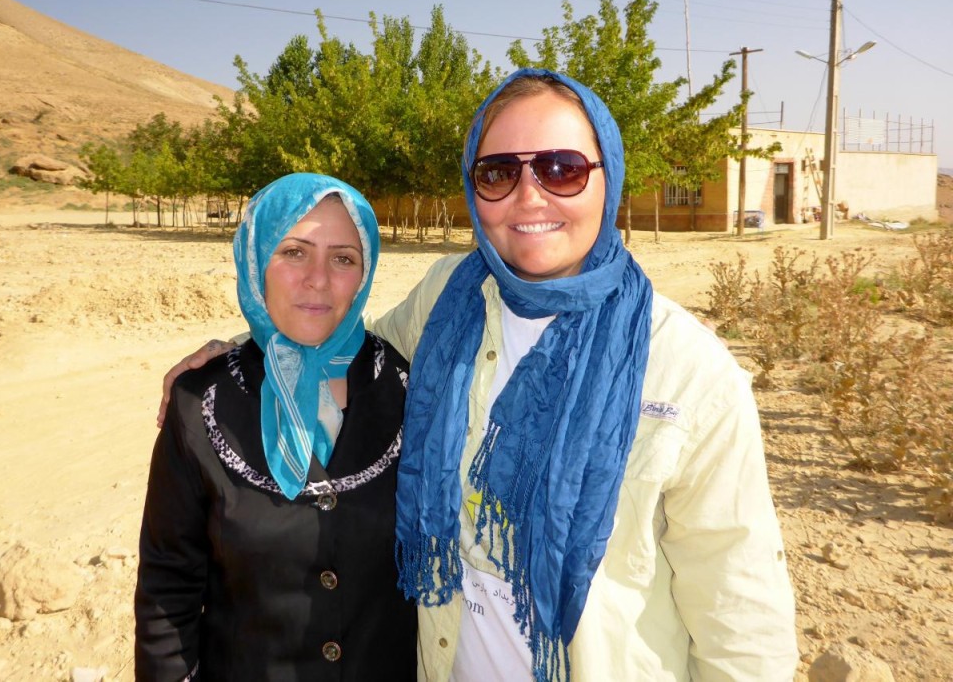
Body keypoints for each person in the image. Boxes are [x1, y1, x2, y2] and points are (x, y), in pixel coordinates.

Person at [159, 70, 799, 681]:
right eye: (499, 172)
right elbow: (347, 339)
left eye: (561, 168)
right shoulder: (450, 300)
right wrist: (244, 344)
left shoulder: (688, 372)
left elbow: (740, 618)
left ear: (609, 178)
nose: (529, 195)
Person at [136, 173, 417, 681]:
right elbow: (167, 590)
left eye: (343, 258)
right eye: (293, 251)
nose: (318, 278)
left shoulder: (412, 391)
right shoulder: (200, 403)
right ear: (255, 259)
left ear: (365, 272)